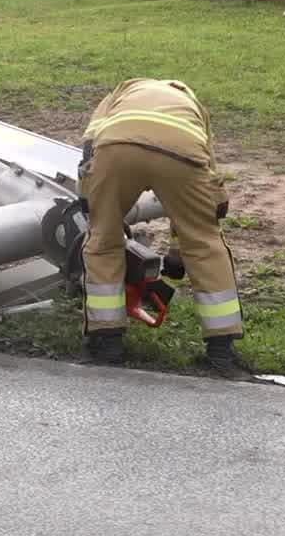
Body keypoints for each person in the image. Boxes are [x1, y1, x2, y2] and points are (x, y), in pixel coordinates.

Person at [75, 78, 246, 372]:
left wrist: (98, 209)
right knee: (205, 242)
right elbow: (210, 184)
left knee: (103, 241)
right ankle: (222, 351)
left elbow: (89, 148)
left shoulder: (119, 93)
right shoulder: (193, 106)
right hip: (183, 151)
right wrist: (178, 254)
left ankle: (107, 341)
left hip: (118, 148)